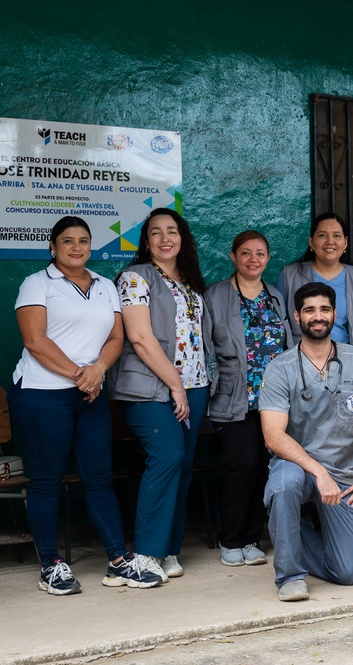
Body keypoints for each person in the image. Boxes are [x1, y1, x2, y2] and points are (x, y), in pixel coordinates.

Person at [9, 216, 162, 595]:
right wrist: (83, 375)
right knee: (46, 482)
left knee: (98, 480)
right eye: (67, 241)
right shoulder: (37, 284)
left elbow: (115, 337)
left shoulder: (106, 286)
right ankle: (51, 566)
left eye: (83, 241)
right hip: (42, 393)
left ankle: (118, 560)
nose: (76, 247)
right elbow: (35, 341)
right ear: (53, 247)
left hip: (90, 393)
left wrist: (98, 370)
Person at [109, 208, 215, 583]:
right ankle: (146, 554)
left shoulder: (188, 280)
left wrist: (192, 386)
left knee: (182, 468)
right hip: (151, 390)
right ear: (146, 240)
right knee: (167, 457)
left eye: (172, 231)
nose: (165, 238)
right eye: (156, 232)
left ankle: (169, 549)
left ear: (182, 238)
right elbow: (139, 337)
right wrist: (174, 384)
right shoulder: (136, 278)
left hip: (195, 387)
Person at [259, 282, 353, 601]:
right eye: (310, 310)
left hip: (343, 474)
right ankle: (289, 575)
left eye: (324, 309)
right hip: (297, 467)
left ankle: (288, 535)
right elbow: (273, 437)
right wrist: (318, 471)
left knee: (348, 573)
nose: (318, 316)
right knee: (283, 486)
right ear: (297, 316)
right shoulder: (280, 368)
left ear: (335, 314)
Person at [205, 230, 292, 567]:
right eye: (245, 253)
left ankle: (252, 539)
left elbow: (285, 346)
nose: (252, 259)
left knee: (265, 468)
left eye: (259, 254)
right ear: (233, 257)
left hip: (272, 398)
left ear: (268, 259)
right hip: (232, 396)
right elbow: (206, 348)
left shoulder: (275, 296)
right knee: (245, 464)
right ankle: (230, 540)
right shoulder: (217, 295)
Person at [276, 212, 353, 346]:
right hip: (300, 358)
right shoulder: (289, 276)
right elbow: (277, 322)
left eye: (337, 236)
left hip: (347, 359)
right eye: (322, 235)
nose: (330, 241)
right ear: (311, 241)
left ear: (345, 242)